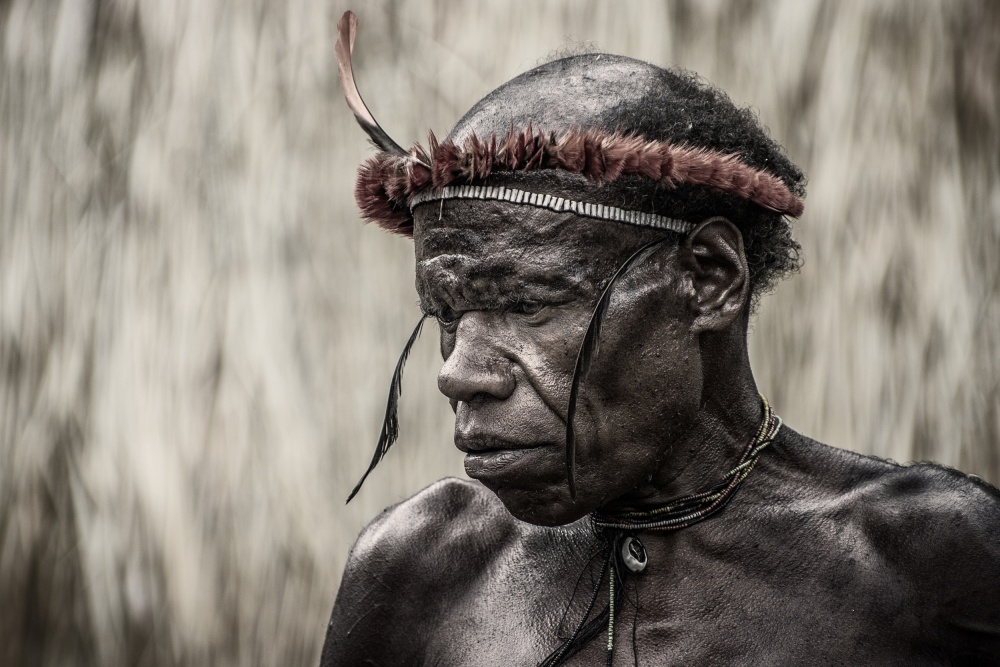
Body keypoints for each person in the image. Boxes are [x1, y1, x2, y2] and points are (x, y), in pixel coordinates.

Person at [322, 12, 1000, 666]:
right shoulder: (424, 571)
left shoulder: (929, 566)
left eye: (527, 302)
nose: (457, 373)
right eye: (445, 314)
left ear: (708, 278)